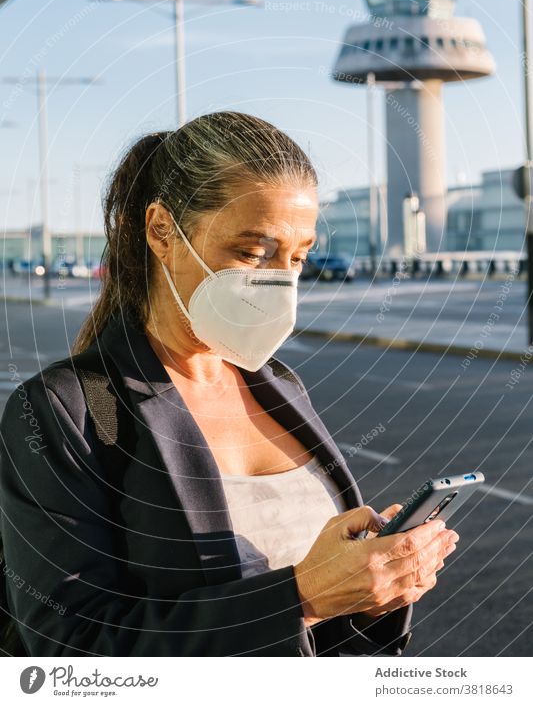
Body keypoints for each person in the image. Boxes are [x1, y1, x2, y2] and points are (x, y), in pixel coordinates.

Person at [0, 112, 458, 656]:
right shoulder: (65, 410)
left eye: (298, 257)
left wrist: (372, 592)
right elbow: (70, 647)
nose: (278, 280)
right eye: (251, 252)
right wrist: (302, 596)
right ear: (161, 231)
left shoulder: (282, 387)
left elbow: (323, 634)